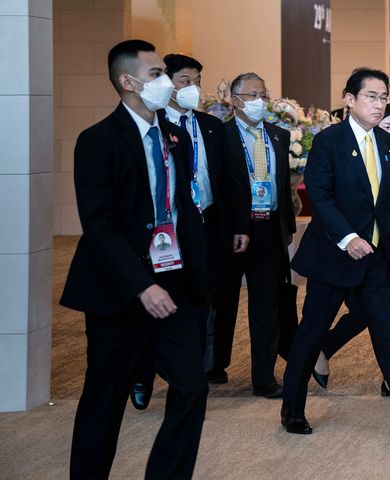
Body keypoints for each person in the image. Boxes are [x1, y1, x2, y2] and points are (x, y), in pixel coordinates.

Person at [60, 40, 209, 479]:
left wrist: (200, 278)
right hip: (120, 292)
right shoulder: (97, 141)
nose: (164, 81)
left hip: (175, 284)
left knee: (191, 388)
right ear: (127, 82)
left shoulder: (174, 134)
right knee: (104, 400)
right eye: (155, 73)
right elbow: (99, 227)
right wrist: (141, 286)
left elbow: (184, 208)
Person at [282, 68, 390, 441]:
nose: (379, 105)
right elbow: (321, 195)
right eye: (371, 97)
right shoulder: (329, 141)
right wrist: (348, 237)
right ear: (349, 99)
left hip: (374, 257)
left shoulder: (383, 142)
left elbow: (382, 201)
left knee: (389, 335)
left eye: (383, 97)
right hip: (333, 257)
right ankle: (292, 410)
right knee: (311, 335)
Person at [128, 53, 248, 410]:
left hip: (206, 226)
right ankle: (143, 372)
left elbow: (232, 180)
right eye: (184, 80)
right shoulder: (154, 124)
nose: (192, 88)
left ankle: (192, 378)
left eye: (197, 80)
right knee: (160, 303)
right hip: (164, 231)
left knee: (201, 302)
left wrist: (239, 224)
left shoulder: (212, 127)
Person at [312, 103, 390, 397]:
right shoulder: (345, 152)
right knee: (363, 313)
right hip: (353, 247)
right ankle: (323, 348)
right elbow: (328, 198)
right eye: (384, 127)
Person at [210, 72, 296, 398]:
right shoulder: (221, 136)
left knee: (266, 305)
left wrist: (286, 227)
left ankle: (264, 377)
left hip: (269, 229)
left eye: (263, 93)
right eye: (252, 94)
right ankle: (216, 364)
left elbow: (283, 186)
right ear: (235, 101)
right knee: (225, 300)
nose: (259, 99)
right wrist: (235, 227)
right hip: (233, 232)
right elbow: (220, 189)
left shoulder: (279, 135)